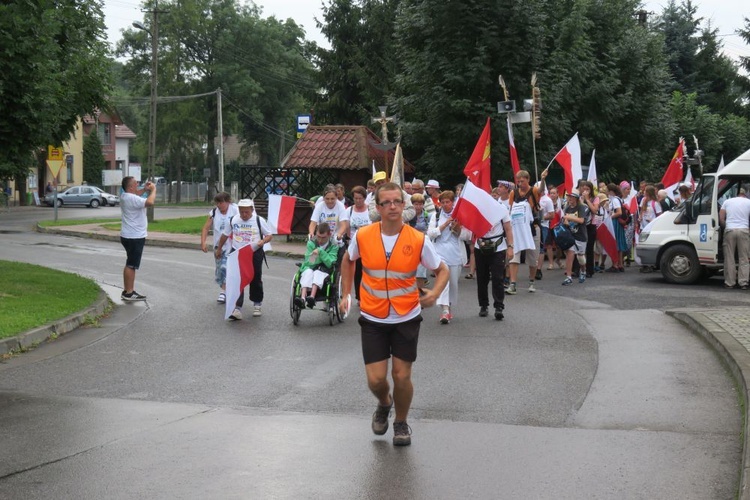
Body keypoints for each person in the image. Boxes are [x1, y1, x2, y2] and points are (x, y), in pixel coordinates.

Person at [339, 182, 449, 447]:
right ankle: (384, 402)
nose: (392, 207)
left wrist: (434, 294)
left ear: (404, 206)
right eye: (386, 202)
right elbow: (348, 259)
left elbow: (442, 270)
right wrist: (345, 294)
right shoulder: (363, 235)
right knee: (376, 380)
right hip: (374, 317)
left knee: (401, 375)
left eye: (397, 202)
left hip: (406, 315)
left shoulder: (417, 239)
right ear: (377, 208)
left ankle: (400, 422)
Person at [215, 199, 273, 320]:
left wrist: (263, 241)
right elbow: (225, 235)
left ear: (252, 210)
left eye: (246, 212)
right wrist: (219, 248)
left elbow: (269, 235)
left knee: (255, 277)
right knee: (236, 279)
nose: (244, 215)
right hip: (237, 252)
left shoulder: (259, 220)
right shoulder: (233, 220)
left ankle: (257, 303)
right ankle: (236, 308)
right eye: (242, 212)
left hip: (254, 252)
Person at [427, 190, 471, 324]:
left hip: (456, 254)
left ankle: (448, 306)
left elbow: (467, 236)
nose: (445, 205)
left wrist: (457, 229)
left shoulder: (460, 215)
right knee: (443, 282)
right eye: (443, 202)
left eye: (448, 202)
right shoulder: (437, 215)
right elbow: (430, 234)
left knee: (453, 284)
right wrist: (444, 225)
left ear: (453, 202)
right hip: (440, 253)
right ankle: (444, 311)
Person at [506, 168, 548, 294]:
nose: (520, 184)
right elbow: (510, 209)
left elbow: (541, 190)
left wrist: (543, 179)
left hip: (532, 229)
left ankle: (531, 281)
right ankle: (513, 284)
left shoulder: (533, 190)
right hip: (517, 230)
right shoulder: (514, 193)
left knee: (532, 258)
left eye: (522, 181)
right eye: (518, 182)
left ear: (528, 180)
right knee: (514, 256)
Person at [474, 199, 514, 320]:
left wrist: (510, 247)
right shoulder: (477, 208)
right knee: (482, 278)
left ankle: (499, 306)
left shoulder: (502, 209)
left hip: (498, 247)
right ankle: (483, 305)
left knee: (498, 278)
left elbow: (508, 229)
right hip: (480, 246)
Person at [119, 176, 156, 301]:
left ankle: (127, 290)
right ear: (130, 187)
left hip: (128, 235)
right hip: (134, 236)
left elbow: (137, 195)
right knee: (131, 265)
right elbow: (150, 202)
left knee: (130, 263)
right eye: (136, 184)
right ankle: (129, 293)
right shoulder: (131, 198)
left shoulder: (125, 196)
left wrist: (145, 190)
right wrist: (153, 190)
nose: (138, 185)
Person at [201, 192, 239, 303]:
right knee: (220, 271)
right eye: (217, 202)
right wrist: (203, 242)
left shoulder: (235, 210)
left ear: (228, 201)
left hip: (233, 245)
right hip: (219, 246)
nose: (219, 205)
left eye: (221, 202)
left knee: (225, 267)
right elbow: (206, 228)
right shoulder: (213, 213)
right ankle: (225, 289)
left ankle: (224, 292)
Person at [295, 223, 340, 308]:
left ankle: (312, 297)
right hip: (310, 267)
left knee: (318, 273)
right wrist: (319, 258)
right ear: (316, 233)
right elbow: (309, 262)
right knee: (307, 272)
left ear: (329, 235)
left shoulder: (334, 245)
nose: (320, 240)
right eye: (318, 236)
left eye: (323, 237)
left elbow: (330, 263)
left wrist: (320, 252)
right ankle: (303, 298)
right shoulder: (311, 242)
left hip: (325, 270)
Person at [719, 187, 750, 290]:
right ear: (744, 194)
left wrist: (725, 227)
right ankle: (743, 283)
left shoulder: (727, 202)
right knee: (744, 258)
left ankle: (730, 283)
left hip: (730, 230)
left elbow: (721, 218)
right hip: (744, 230)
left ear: (736, 194)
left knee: (729, 257)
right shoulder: (748, 202)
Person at [347, 186, 372, 301]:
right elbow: (346, 225)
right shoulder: (349, 210)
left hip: (368, 244)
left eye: (360, 198)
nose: (358, 201)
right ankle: (359, 295)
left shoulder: (370, 210)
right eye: (356, 198)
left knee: (368, 271)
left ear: (364, 198)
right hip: (354, 244)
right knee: (357, 272)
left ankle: (369, 294)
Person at [561, 190, 588, 285]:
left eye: (572, 197)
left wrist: (569, 218)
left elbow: (581, 220)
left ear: (576, 198)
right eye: (569, 197)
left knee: (581, 257)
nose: (570, 199)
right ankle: (569, 276)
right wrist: (566, 222)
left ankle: (583, 271)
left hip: (580, 235)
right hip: (571, 236)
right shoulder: (567, 208)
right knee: (570, 254)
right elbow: (564, 220)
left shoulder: (581, 207)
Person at [408, 192, 431, 290]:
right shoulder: (408, 216)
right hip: (410, 245)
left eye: (420, 204)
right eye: (416, 204)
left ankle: (420, 294)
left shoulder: (427, 216)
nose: (418, 206)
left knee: (421, 272)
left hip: (422, 245)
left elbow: (430, 230)